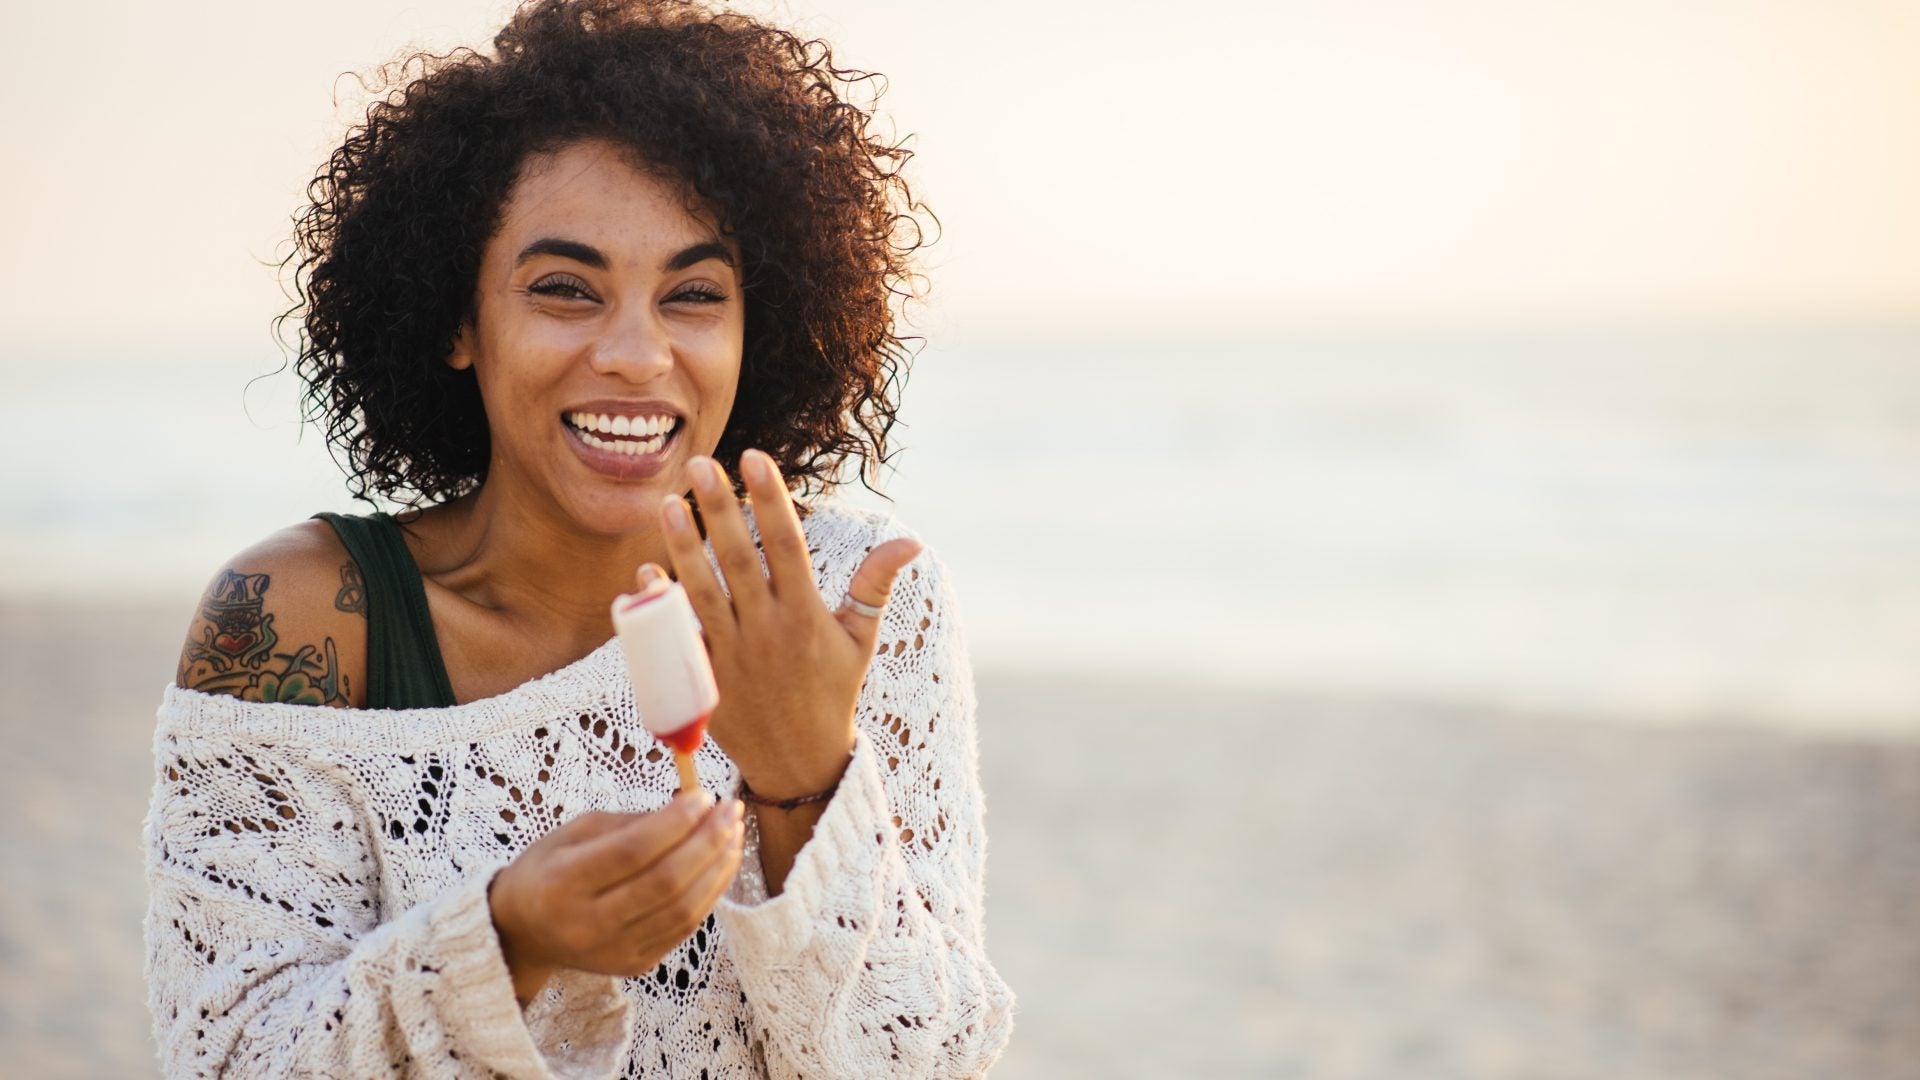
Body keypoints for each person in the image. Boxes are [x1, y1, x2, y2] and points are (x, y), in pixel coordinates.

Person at [143, 1, 1014, 1075]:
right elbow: (229, 1057)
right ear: (456, 321)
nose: (637, 355)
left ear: (762, 329)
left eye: (693, 294)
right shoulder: (302, 619)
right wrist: (504, 941)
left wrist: (804, 779)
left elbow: (924, 1063)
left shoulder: (852, 605)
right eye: (565, 290)